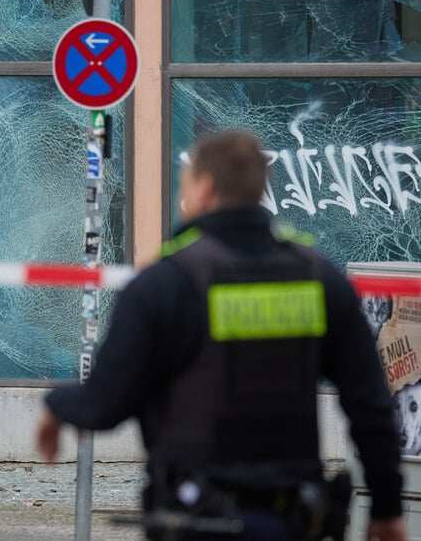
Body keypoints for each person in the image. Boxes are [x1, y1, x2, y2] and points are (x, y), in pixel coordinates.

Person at [35, 130, 406, 540]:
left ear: (206, 189)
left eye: (185, 183)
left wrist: (56, 406)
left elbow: (104, 404)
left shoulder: (164, 284)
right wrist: (387, 507)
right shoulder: (319, 279)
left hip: (197, 518)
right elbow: (371, 404)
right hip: (293, 519)